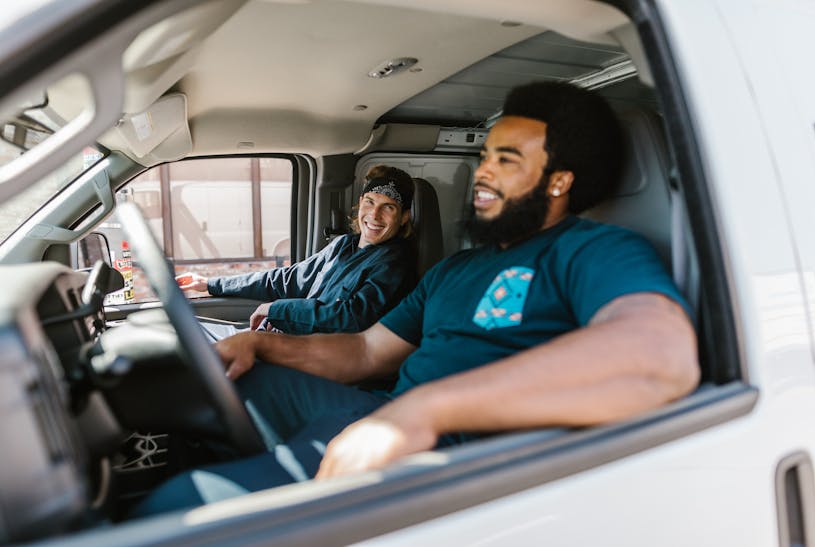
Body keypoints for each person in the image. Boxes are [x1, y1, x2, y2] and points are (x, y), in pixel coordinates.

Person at [133, 81, 699, 516]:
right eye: (486, 156)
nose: (483, 173)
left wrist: (426, 410)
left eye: (508, 160)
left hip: (456, 454)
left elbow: (659, 356)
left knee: (182, 505)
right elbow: (364, 352)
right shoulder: (455, 268)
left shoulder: (594, 250)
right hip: (384, 413)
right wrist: (260, 343)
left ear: (558, 182)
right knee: (217, 380)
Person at [176, 165, 417, 336]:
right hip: (286, 339)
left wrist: (278, 310)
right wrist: (210, 284)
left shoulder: (394, 263)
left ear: (405, 217)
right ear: (361, 202)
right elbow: (285, 279)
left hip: (317, 356)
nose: (374, 215)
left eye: (388, 207)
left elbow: (352, 317)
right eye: (370, 202)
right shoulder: (344, 245)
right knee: (187, 335)